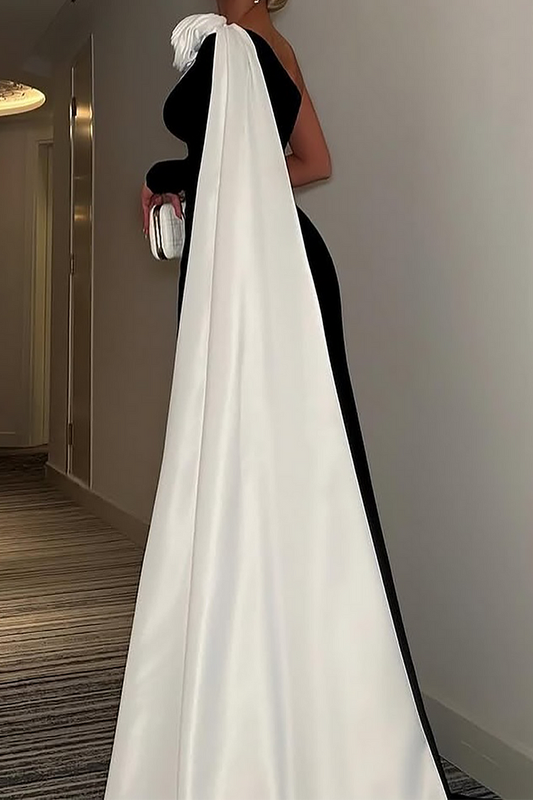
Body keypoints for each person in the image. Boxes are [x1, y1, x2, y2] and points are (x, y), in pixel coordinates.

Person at [104, 3, 469, 799]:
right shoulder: (255, 42)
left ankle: (287, 696)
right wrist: (197, 189)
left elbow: (292, 161)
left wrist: (169, 176)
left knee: (279, 460)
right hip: (240, 258)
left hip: (266, 272)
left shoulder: (247, 40)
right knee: (252, 458)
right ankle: (261, 672)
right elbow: (299, 163)